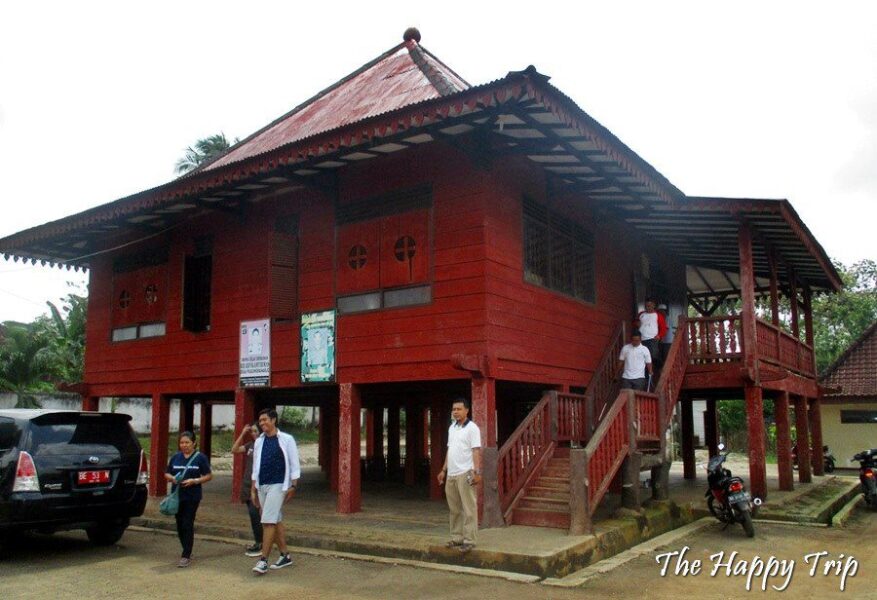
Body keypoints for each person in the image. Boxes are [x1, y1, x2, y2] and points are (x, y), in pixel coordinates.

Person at [250, 408, 301, 575]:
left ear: (273, 420)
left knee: (268, 522)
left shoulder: (287, 439)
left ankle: (263, 560)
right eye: (260, 420)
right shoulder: (259, 441)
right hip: (262, 484)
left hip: (278, 484)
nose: (262, 423)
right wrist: (253, 488)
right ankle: (285, 555)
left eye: (265, 420)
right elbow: (255, 466)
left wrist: (293, 485)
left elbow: (294, 463)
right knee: (275, 519)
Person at [436, 398, 481, 553]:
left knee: (469, 508)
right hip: (452, 474)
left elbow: (476, 450)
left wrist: (477, 472)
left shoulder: (472, 428)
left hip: (466, 472)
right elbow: (450, 450)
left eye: (459, 409)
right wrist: (443, 470)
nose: (455, 411)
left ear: (467, 410)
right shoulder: (452, 428)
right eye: (454, 409)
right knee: (454, 509)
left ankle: (470, 540)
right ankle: (457, 538)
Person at [164, 431, 212, 568]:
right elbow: (167, 473)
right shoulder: (175, 457)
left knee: (187, 522)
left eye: (187, 442)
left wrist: (195, 480)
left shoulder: (200, 458)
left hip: (192, 496)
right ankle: (186, 547)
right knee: (179, 523)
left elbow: (208, 475)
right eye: (182, 443)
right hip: (177, 496)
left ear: (194, 443)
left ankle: (186, 554)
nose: (184, 445)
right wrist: (172, 478)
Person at [232, 422, 262, 557]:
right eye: (252, 431)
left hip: (259, 486)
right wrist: (243, 433)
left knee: (256, 514)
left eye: (256, 431)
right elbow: (235, 449)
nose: (254, 433)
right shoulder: (250, 445)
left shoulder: (264, 446)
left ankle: (260, 543)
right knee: (253, 515)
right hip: (247, 483)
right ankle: (259, 541)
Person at [634, 298, 668, 370]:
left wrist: (659, 335)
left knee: (653, 355)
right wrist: (636, 323)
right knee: (643, 357)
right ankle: (648, 372)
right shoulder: (641, 314)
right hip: (641, 339)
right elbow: (635, 322)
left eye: (649, 305)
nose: (648, 307)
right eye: (646, 306)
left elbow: (664, 328)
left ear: (654, 305)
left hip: (652, 339)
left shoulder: (658, 315)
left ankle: (661, 368)